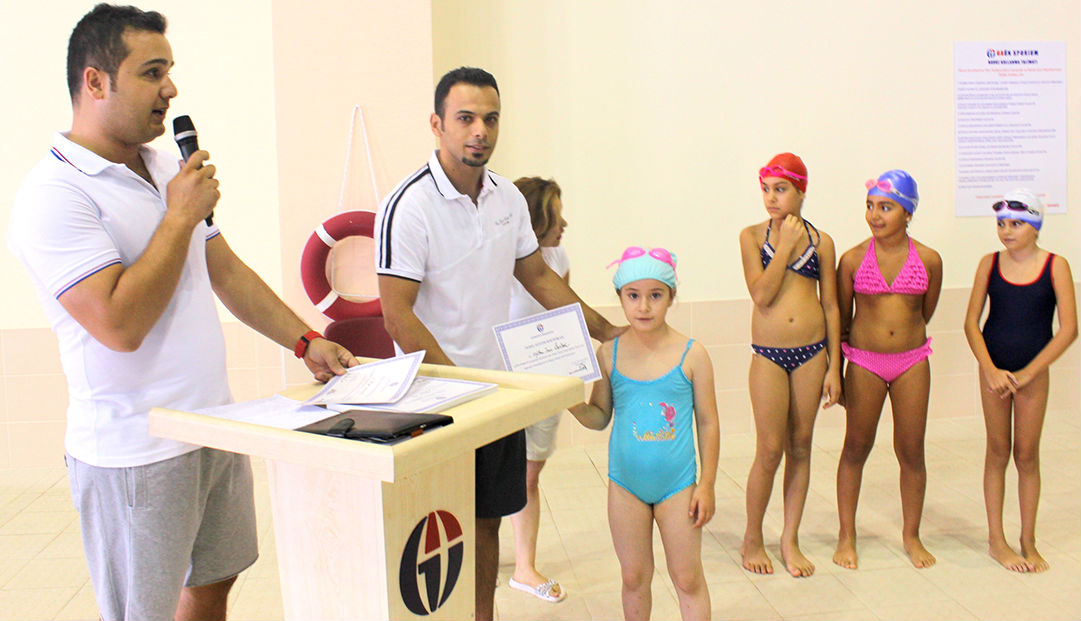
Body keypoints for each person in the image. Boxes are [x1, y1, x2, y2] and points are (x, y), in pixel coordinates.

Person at [6, 5, 356, 620]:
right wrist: (178, 217)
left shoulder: (167, 168)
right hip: (135, 451)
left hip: (214, 424)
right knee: (143, 610)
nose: (170, 89)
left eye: (169, 71)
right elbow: (118, 326)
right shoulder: (53, 195)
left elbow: (225, 271)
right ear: (95, 82)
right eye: (152, 73)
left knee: (215, 582)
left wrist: (305, 341)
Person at [374, 66, 622, 621]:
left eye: (490, 119)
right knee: (427, 530)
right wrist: (459, 387)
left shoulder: (507, 197)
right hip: (431, 401)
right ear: (437, 124)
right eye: (465, 118)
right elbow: (397, 316)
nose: (479, 130)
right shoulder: (407, 205)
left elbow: (538, 277)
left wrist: (607, 331)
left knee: (487, 522)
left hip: (493, 394)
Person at [570, 247, 719, 621]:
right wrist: (567, 401)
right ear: (620, 297)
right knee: (633, 577)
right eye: (633, 295)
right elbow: (599, 416)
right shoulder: (609, 353)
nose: (644, 306)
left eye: (656, 295)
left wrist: (707, 484)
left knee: (687, 578)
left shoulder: (692, 354)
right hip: (626, 486)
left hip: (678, 486)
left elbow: (708, 422)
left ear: (671, 296)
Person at [737, 153, 841, 577]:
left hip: (811, 353)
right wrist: (783, 248)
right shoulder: (751, 237)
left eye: (780, 190)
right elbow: (761, 295)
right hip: (769, 354)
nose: (771, 198)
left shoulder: (822, 242)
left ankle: (790, 538)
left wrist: (835, 366)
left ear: (801, 191)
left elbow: (831, 305)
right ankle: (752, 537)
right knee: (769, 449)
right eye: (766, 189)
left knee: (801, 445)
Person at [833, 170, 943, 570]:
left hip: (911, 360)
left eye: (886, 207)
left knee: (911, 450)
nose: (875, 215)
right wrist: (836, 371)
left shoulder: (928, 259)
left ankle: (912, 536)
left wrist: (903, 339)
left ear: (908, 213)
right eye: (870, 206)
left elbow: (925, 312)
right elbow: (840, 319)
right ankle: (847, 535)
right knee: (855, 447)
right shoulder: (852, 260)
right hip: (864, 361)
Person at [963, 189, 1076, 573]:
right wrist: (990, 369)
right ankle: (997, 540)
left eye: (1016, 224)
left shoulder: (1055, 266)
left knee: (1026, 455)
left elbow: (1069, 329)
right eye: (1001, 224)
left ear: (1036, 227)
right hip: (994, 371)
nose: (1007, 231)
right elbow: (971, 323)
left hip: (1032, 374)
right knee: (997, 451)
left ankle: (1028, 539)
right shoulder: (989, 264)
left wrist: (1030, 372)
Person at [506, 176, 570, 603]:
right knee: (489, 471)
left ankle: (523, 567)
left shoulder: (559, 258)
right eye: (556, 216)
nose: (564, 224)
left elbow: (564, 316)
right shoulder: (499, 262)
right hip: (503, 381)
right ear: (533, 221)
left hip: (546, 380)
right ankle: (493, 554)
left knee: (528, 475)